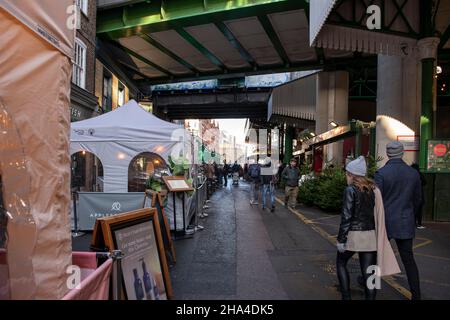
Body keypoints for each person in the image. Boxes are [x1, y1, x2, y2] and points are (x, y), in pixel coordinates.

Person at [375, 141, 422, 300]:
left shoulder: (381, 173)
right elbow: (418, 200)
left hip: (385, 222)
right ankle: (416, 295)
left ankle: (370, 288)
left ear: (388, 154)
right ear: (402, 153)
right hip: (405, 221)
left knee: (375, 255)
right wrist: (410, 215)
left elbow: (377, 201)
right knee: (409, 260)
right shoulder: (413, 173)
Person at [411, 163, 426, 229]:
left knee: (412, 209)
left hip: (411, 195)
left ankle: (413, 223)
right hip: (419, 194)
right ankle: (419, 224)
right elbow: (425, 182)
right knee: (419, 210)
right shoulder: (419, 174)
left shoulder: (410, 174)